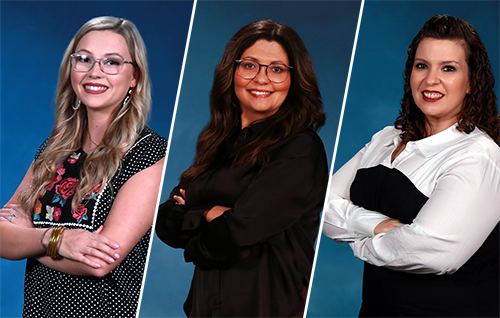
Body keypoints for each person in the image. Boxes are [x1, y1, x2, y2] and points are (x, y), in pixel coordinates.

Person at [322, 14, 500, 318]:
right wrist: (376, 226)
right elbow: (320, 205)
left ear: (472, 83)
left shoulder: (478, 155)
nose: (431, 80)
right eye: (422, 66)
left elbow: (433, 252)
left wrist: (359, 243)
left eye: (448, 68)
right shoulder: (386, 138)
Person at [155, 19, 329, 318]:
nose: (261, 79)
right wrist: (210, 214)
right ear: (232, 71)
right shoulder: (217, 143)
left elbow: (237, 231)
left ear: (293, 79)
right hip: (204, 307)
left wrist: (197, 219)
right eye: (250, 65)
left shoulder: (300, 148)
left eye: (276, 69)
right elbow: (166, 219)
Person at [0, 16, 168, 318]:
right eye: (84, 59)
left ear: (135, 78)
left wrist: (29, 237)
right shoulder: (53, 150)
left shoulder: (151, 153)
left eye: (112, 62)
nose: (95, 72)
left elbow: (100, 262)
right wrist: (60, 240)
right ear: (71, 68)